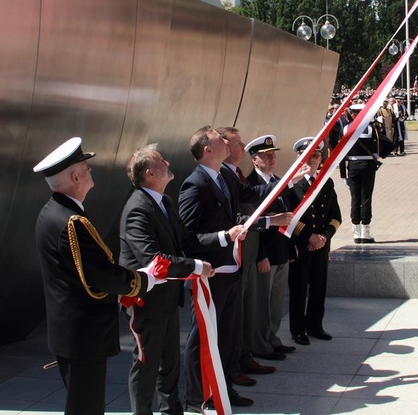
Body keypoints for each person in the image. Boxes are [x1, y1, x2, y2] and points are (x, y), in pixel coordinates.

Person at [178, 126, 296, 412]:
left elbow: (239, 217)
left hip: (231, 270)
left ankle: (223, 389)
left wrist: (271, 221)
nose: (230, 147)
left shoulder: (221, 178)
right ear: (208, 149)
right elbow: (187, 237)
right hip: (211, 274)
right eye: (222, 142)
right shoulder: (195, 184)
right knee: (203, 338)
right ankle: (196, 398)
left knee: (227, 336)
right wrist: (224, 237)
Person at [33, 137, 154, 415]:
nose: (90, 171)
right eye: (85, 167)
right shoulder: (73, 222)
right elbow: (101, 275)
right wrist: (144, 280)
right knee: (86, 408)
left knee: (82, 405)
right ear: (75, 177)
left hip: (70, 331)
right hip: (83, 333)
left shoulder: (52, 211)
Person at [119, 144, 215, 415]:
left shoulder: (164, 202)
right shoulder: (137, 209)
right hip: (146, 303)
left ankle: (172, 411)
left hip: (167, 300)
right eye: (162, 161)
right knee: (146, 365)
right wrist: (196, 266)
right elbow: (154, 259)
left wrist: (225, 237)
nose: (169, 162)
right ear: (150, 172)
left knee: (170, 364)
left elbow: (186, 240)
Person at [216, 127, 275, 387]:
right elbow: (237, 216)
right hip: (234, 256)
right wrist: (269, 221)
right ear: (224, 147)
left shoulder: (234, 174)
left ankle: (245, 356)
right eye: (238, 143)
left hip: (247, 253)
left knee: (247, 310)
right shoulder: (223, 176)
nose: (241, 148)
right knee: (235, 316)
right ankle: (234, 366)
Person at [243, 135, 297, 362]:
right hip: (265, 253)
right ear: (254, 160)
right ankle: (260, 344)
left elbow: (289, 215)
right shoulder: (251, 186)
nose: (272, 158)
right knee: (261, 303)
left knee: (276, 301)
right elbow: (254, 224)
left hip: (281, 250)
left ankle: (272, 338)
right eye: (266, 156)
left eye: (273, 154)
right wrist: (260, 255)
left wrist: (291, 246)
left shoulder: (277, 180)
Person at [288, 137, 342, 346]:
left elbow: (336, 217)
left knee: (319, 286)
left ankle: (315, 325)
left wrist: (324, 236)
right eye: (307, 156)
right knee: (299, 287)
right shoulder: (292, 183)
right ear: (298, 157)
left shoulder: (326, 182)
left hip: (321, 244)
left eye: (316, 156)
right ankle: (298, 329)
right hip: (300, 245)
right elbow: (289, 216)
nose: (311, 160)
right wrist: (308, 236)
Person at [342, 104, 381, 244]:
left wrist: (342, 174)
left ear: (352, 114)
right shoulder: (371, 129)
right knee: (366, 198)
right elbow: (377, 151)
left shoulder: (346, 129)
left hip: (352, 166)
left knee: (355, 199)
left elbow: (342, 154)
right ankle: (365, 232)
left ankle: (357, 233)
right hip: (367, 166)